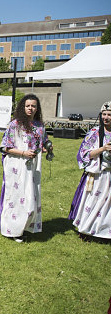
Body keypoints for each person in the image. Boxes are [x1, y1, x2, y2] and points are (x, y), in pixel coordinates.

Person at [0, 94, 50, 243]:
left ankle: (26, 226)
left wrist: (47, 147)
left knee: (31, 197)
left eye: (33, 106)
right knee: (17, 197)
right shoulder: (15, 124)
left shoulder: (40, 126)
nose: (30, 108)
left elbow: (42, 143)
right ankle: (13, 229)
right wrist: (23, 153)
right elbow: (5, 147)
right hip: (17, 165)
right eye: (27, 105)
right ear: (23, 107)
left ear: (37, 108)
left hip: (33, 167)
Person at [68, 101, 111, 240]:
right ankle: (86, 229)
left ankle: (104, 231)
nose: (106, 117)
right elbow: (84, 154)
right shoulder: (94, 133)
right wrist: (103, 148)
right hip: (97, 174)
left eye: (109, 114)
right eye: (104, 114)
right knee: (93, 201)